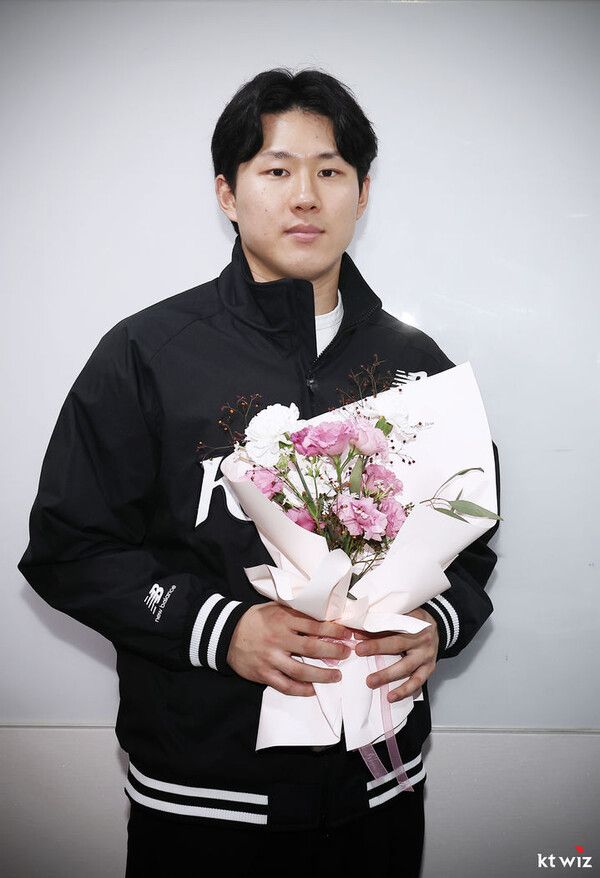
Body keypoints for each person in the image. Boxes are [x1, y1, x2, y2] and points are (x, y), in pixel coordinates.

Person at [18, 68, 500, 877]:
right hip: (201, 797)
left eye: (330, 171)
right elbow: (70, 549)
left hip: (380, 789)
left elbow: (473, 542)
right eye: (277, 170)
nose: (305, 196)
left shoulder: (419, 368)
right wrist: (222, 629)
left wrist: (437, 625)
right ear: (228, 193)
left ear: (363, 193)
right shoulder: (147, 354)